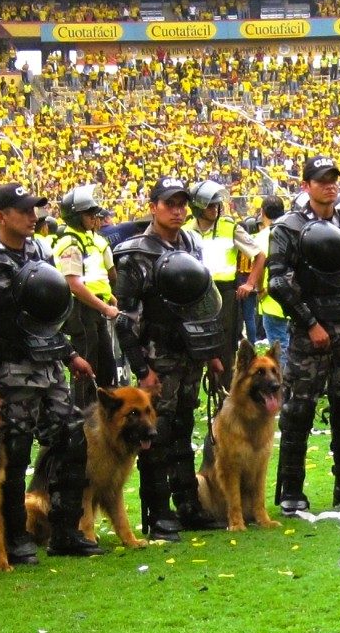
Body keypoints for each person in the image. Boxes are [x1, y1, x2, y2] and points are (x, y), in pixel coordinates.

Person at [0, 183, 102, 560]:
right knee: (13, 451)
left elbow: (49, 316)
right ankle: (15, 536)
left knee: (72, 437)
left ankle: (65, 529)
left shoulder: (41, 252)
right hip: (7, 371)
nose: (34, 216)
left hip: (47, 367)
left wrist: (70, 355)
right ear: (1, 217)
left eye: (35, 209)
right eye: (24, 210)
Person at [112, 177, 227, 540]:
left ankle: (188, 505)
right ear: (153, 207)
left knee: (182, 427)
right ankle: (159, 511)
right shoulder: (135, 253)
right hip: (156, 354)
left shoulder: (191, 243)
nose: (177, 211)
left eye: (182, 204)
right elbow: (124, 319)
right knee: (155, 433)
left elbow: (203, 302)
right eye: (169, 204)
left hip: (189, 352)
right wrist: (141, 368)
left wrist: (211, 354)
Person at [269, 157, 340, 513]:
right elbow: (278, 281)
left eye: (334, 179)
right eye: (321, 180)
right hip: (312, 333)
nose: (330, 185)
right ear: (306, 186)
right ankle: (291, 490)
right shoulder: (288, 228)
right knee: (298, 410)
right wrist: (309, 323)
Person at [188, 179, 261, 383]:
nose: (215, 208)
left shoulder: (230, 227)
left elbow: (259, 254)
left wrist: (250, 283)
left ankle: (226, 393)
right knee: (195, 344)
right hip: (196, 296)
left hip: (225, 295)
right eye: (210, 205)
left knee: (226, 349)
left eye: (217, 204)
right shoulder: (185, 230)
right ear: (198, 207)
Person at [53, 185, 119, 407]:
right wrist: (104, 307)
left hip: (94, 309)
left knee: (105, 367)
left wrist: (108, 297)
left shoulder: (87, 239)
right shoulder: (71, 243)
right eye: (88, 213)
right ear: (75, 216)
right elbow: (74, 284)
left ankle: (101, 415)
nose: (94, 216)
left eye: (94, 212)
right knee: (87, 370)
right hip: (82, 311)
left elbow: (95, 276)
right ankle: (82, 418)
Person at [248, 196, 290, 363]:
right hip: (295, 298)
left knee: (279, 349)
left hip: (271, 300)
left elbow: (259, 266)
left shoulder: (261, 237)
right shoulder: (294, 231)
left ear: (262, 212)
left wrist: (259, 290)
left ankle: (284, 379)